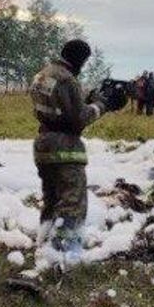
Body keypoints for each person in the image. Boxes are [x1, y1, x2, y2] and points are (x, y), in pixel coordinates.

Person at [29, 39, 126, 255]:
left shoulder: (42, 74)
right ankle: (64, 253)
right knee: (72, 201)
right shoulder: (67, 80)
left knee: (51, 199)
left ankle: (43, 244)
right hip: (64, 148)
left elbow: (58, 107)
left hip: (43, 144)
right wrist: (102, 105)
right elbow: (78, 119)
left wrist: (87, 99)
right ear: (80, 59)